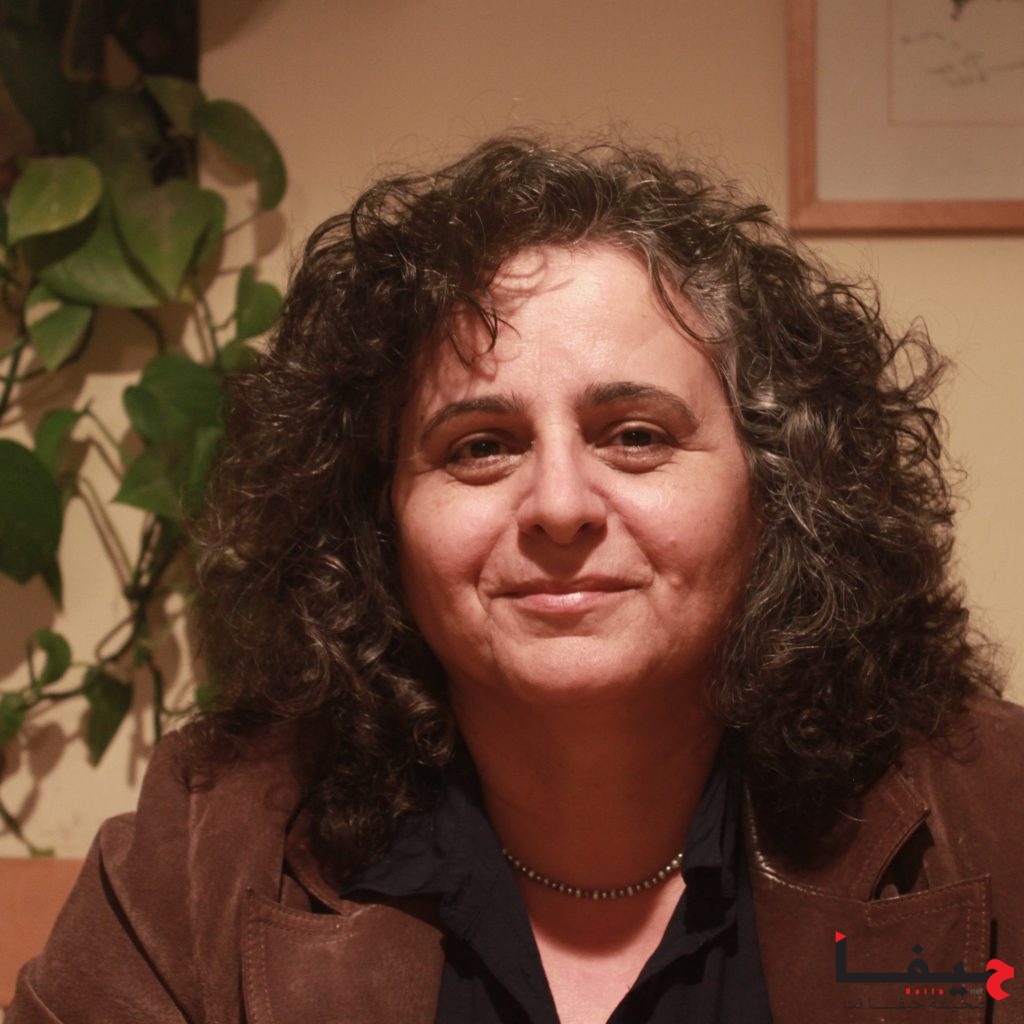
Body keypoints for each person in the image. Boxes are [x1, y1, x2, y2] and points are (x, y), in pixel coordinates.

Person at [8, 136, 1022, 1024]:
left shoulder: (995, 810)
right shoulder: (206, 845)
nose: (559, 506)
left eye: (636, 435)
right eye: (480, 446)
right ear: (375, 519)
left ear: (779, 486)